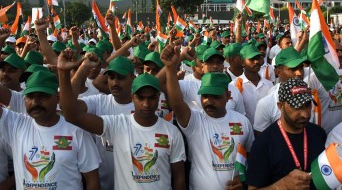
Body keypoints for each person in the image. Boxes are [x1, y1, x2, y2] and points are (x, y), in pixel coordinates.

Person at [57, 49, 186, 190]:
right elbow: (71, 114)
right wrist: (64, 72)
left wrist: (171, 67)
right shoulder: (117, 123)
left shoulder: (171, 132)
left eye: (120, 77)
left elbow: (179, 179)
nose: (146, 104)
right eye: (111, 77)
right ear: (133, 98)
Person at [160, 44, 254, 190]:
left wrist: (244, 179)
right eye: (204, 96)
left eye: (215, 96)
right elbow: (177, 103)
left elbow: (251, 156)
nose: (208, 101)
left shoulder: (243, 122)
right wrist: (171, 69)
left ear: (228, 96)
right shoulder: (194, 121)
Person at [0, 70, 101, 190]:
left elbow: (92, 180)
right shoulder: (16, 125)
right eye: (30, 96)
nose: (34, 102)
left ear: (58, 98)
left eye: (43, 96)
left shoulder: (77, 132)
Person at [247, 78, 326, 190]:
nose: (304, 114)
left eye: (307, 105)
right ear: (280, 106)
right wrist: (282, 186)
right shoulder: (263, 144)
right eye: (296, 106)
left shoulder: (318, 134)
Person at [253, 46, 308, 135]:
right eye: (293, 69)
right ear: (278, 72)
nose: (299, 73)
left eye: (301, 67)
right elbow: (262, 141)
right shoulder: (266, 104)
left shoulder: (311, 99)